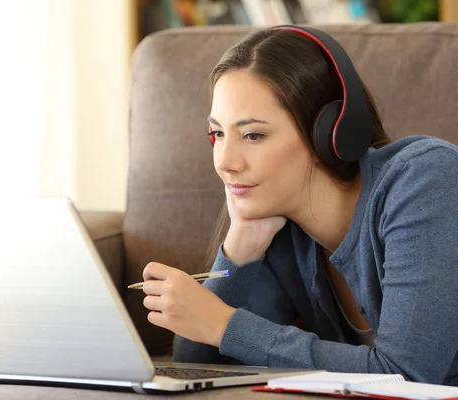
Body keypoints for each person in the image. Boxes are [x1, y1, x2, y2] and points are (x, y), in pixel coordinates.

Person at [139, 26, 458, 386]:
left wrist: (224, 324)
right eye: (218, 134)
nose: (225, 161)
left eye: (253, 135)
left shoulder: (428, 178)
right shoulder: (282, 229)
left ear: (330, 133)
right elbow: (198, 363)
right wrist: (241, 244)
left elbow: (408, 375)